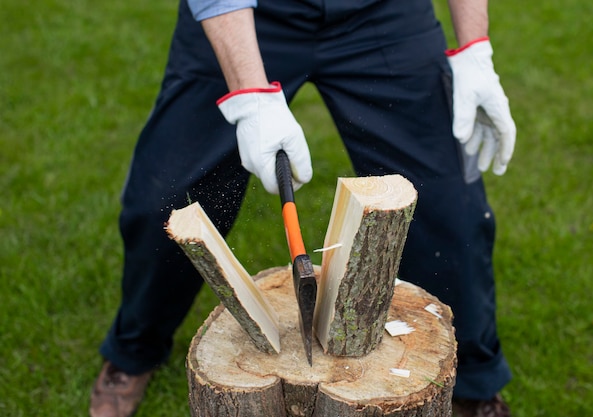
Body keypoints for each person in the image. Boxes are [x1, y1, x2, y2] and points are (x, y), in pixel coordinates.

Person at [89, 0, 517, 416]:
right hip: (251, 14)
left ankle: (474, 378)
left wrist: (474, 48)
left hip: (382, 13)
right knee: (162, 203)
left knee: (452, 210)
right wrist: (250, 94)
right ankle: (134, 350)